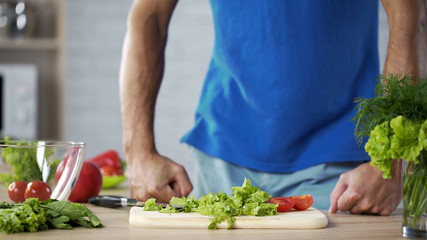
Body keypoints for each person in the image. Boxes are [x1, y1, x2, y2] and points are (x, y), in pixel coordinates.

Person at [119, 0, 426, 214]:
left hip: (341, 175)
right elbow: (149, 15)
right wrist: (138, 153)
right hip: (220, 163)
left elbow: (409, 19)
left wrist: (388, 162)